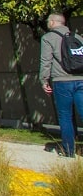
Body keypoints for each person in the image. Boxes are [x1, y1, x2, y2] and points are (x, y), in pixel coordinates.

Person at [40, 13, 83, 157]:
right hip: (80, 79)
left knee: (65, 116)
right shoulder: (77, 37)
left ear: (52, 22)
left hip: (62, 81)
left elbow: (46, 61)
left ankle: (68, 151)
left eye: (48, 21)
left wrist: (44, 80)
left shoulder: (48, 38)